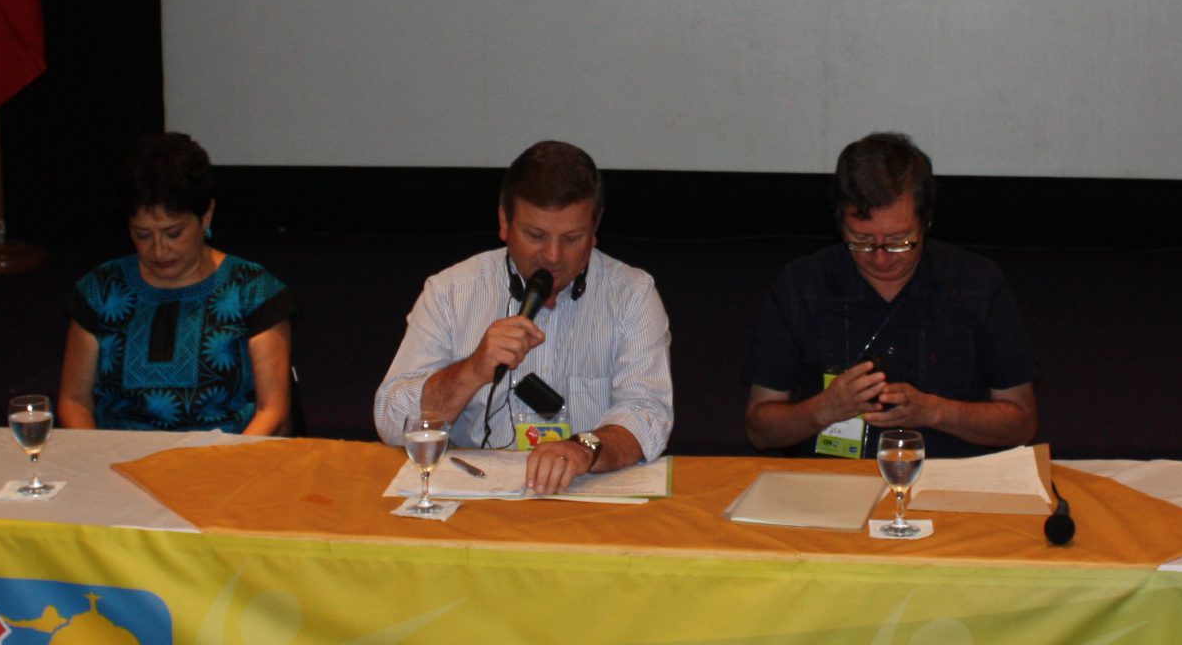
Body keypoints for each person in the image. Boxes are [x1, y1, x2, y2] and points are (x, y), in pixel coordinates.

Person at [374, 141, 672, 495]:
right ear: (504, 222)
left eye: (572, 238)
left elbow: (648, 414)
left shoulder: (632, 294)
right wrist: (472, 370)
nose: (553, 256)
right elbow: (392, 421)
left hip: (585, 492)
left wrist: (584, 449)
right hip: (476, 495)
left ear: (595, 229)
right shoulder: (450, 291)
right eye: (536, 235)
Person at [744, 132, 1037, 460]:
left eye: (899, 240)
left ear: (925, 221)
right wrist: (822, 410)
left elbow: (1022, 424)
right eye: (862, 240)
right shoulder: (802, 285)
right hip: (832, 479)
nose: (880, 258)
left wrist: (937, 412)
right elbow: (759, 431)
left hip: (948, 475)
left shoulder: (976, 282)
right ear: (840, 223)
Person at [57, 133, 297, 434]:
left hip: (226, 454)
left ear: (206, 216)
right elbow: (74, 401)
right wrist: (98, 456)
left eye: (173, 233)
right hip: (119, 455)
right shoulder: (102, 290)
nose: (158, 250)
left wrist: (230, 460)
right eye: (142, 234)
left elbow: (272, 411)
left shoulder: (253, 291)